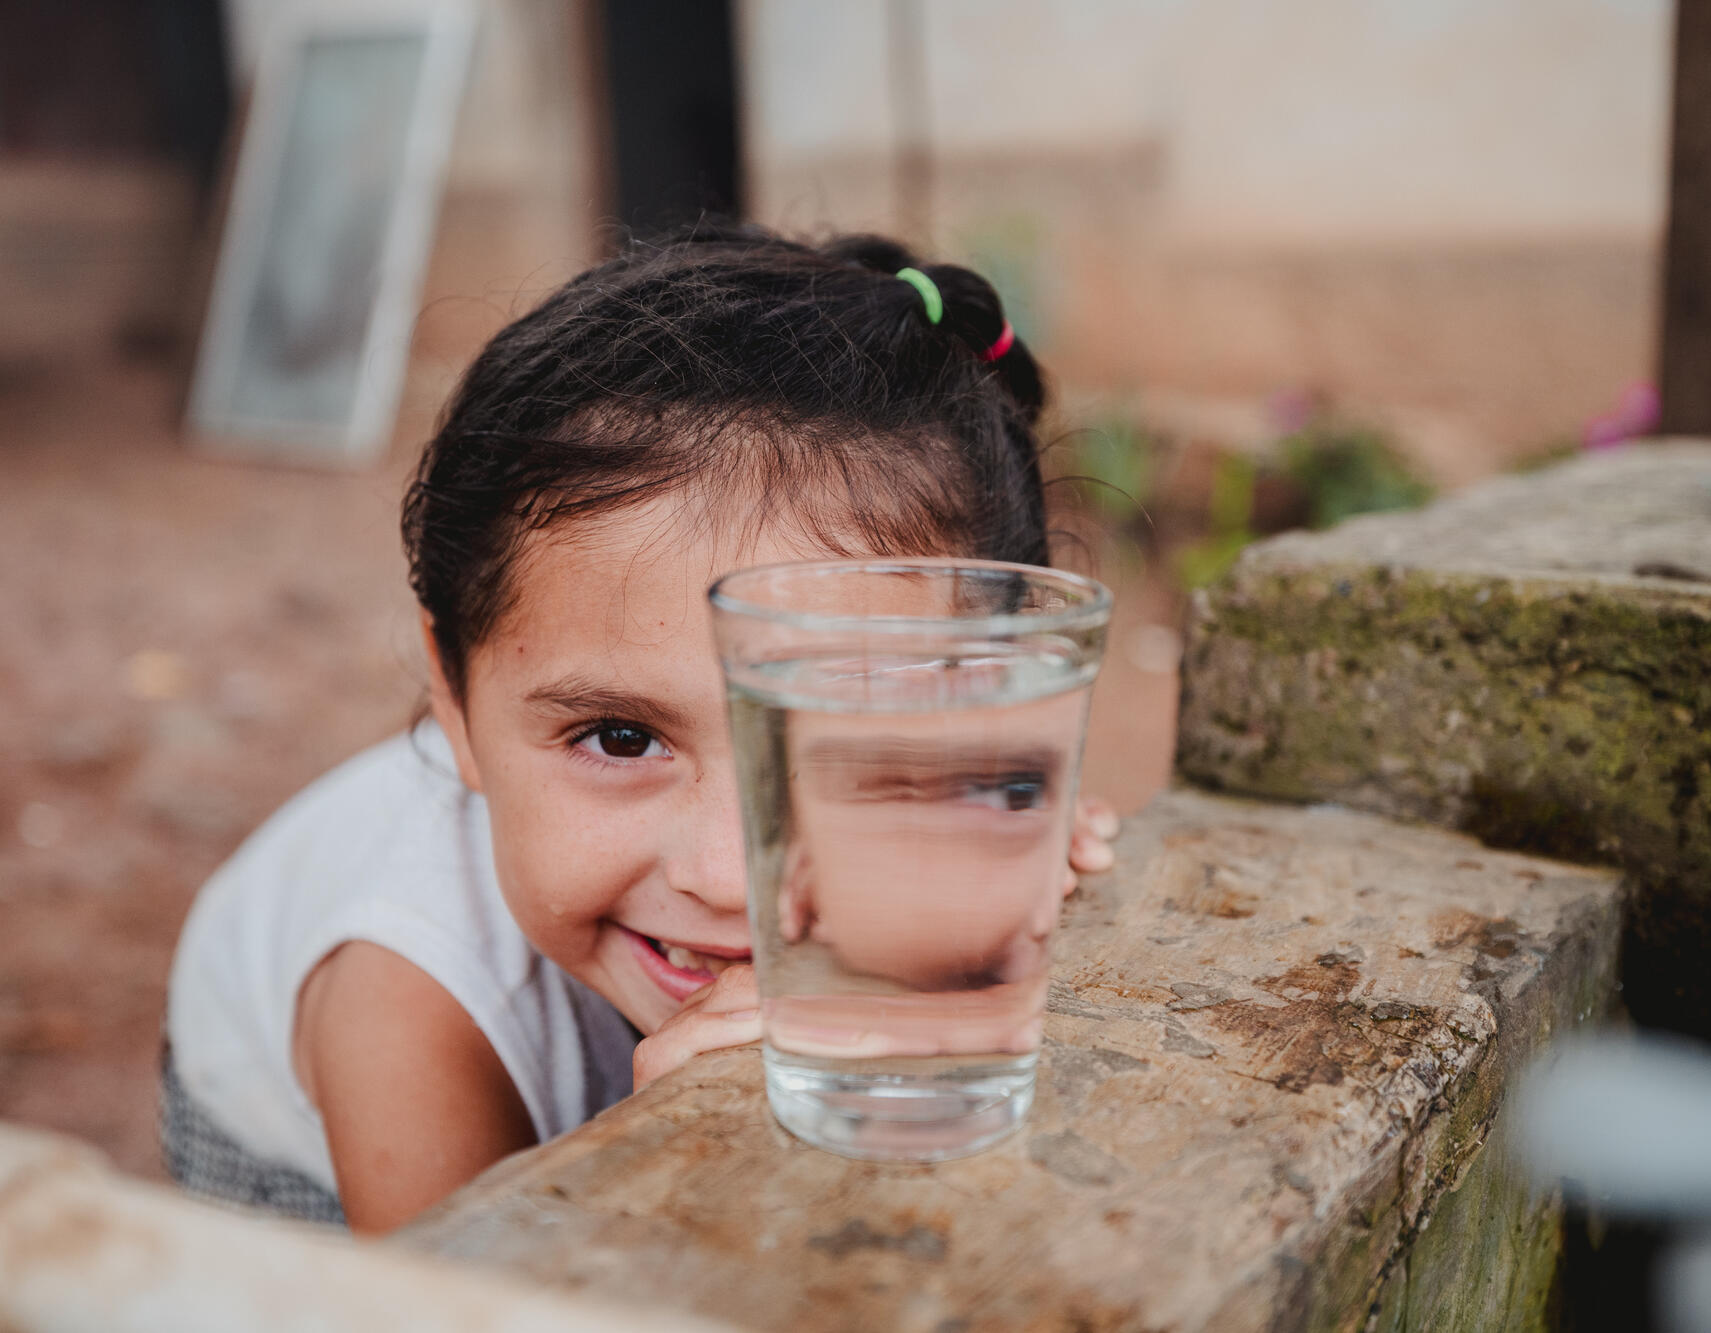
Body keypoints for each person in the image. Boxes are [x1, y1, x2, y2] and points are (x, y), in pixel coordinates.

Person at [161, 223, 1120, 1233]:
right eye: (619, 739)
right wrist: (664, 1163)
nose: (725, 871)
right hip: (292, 1170)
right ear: (450, 693)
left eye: (865, 734)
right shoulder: (407, 998)